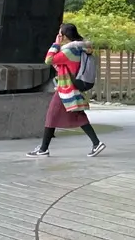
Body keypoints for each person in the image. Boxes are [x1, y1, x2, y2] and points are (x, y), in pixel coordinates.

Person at [27, 23, 105, 158]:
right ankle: (96, 143)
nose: (58, 36)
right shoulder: (79, 48)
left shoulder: (69, 51)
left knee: (52, 115)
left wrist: (55, 44)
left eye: (60, 34)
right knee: (76, 116)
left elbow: (49, 60)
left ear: (64, 36)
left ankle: (44, 149)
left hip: (66, 89)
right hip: (69, 88)